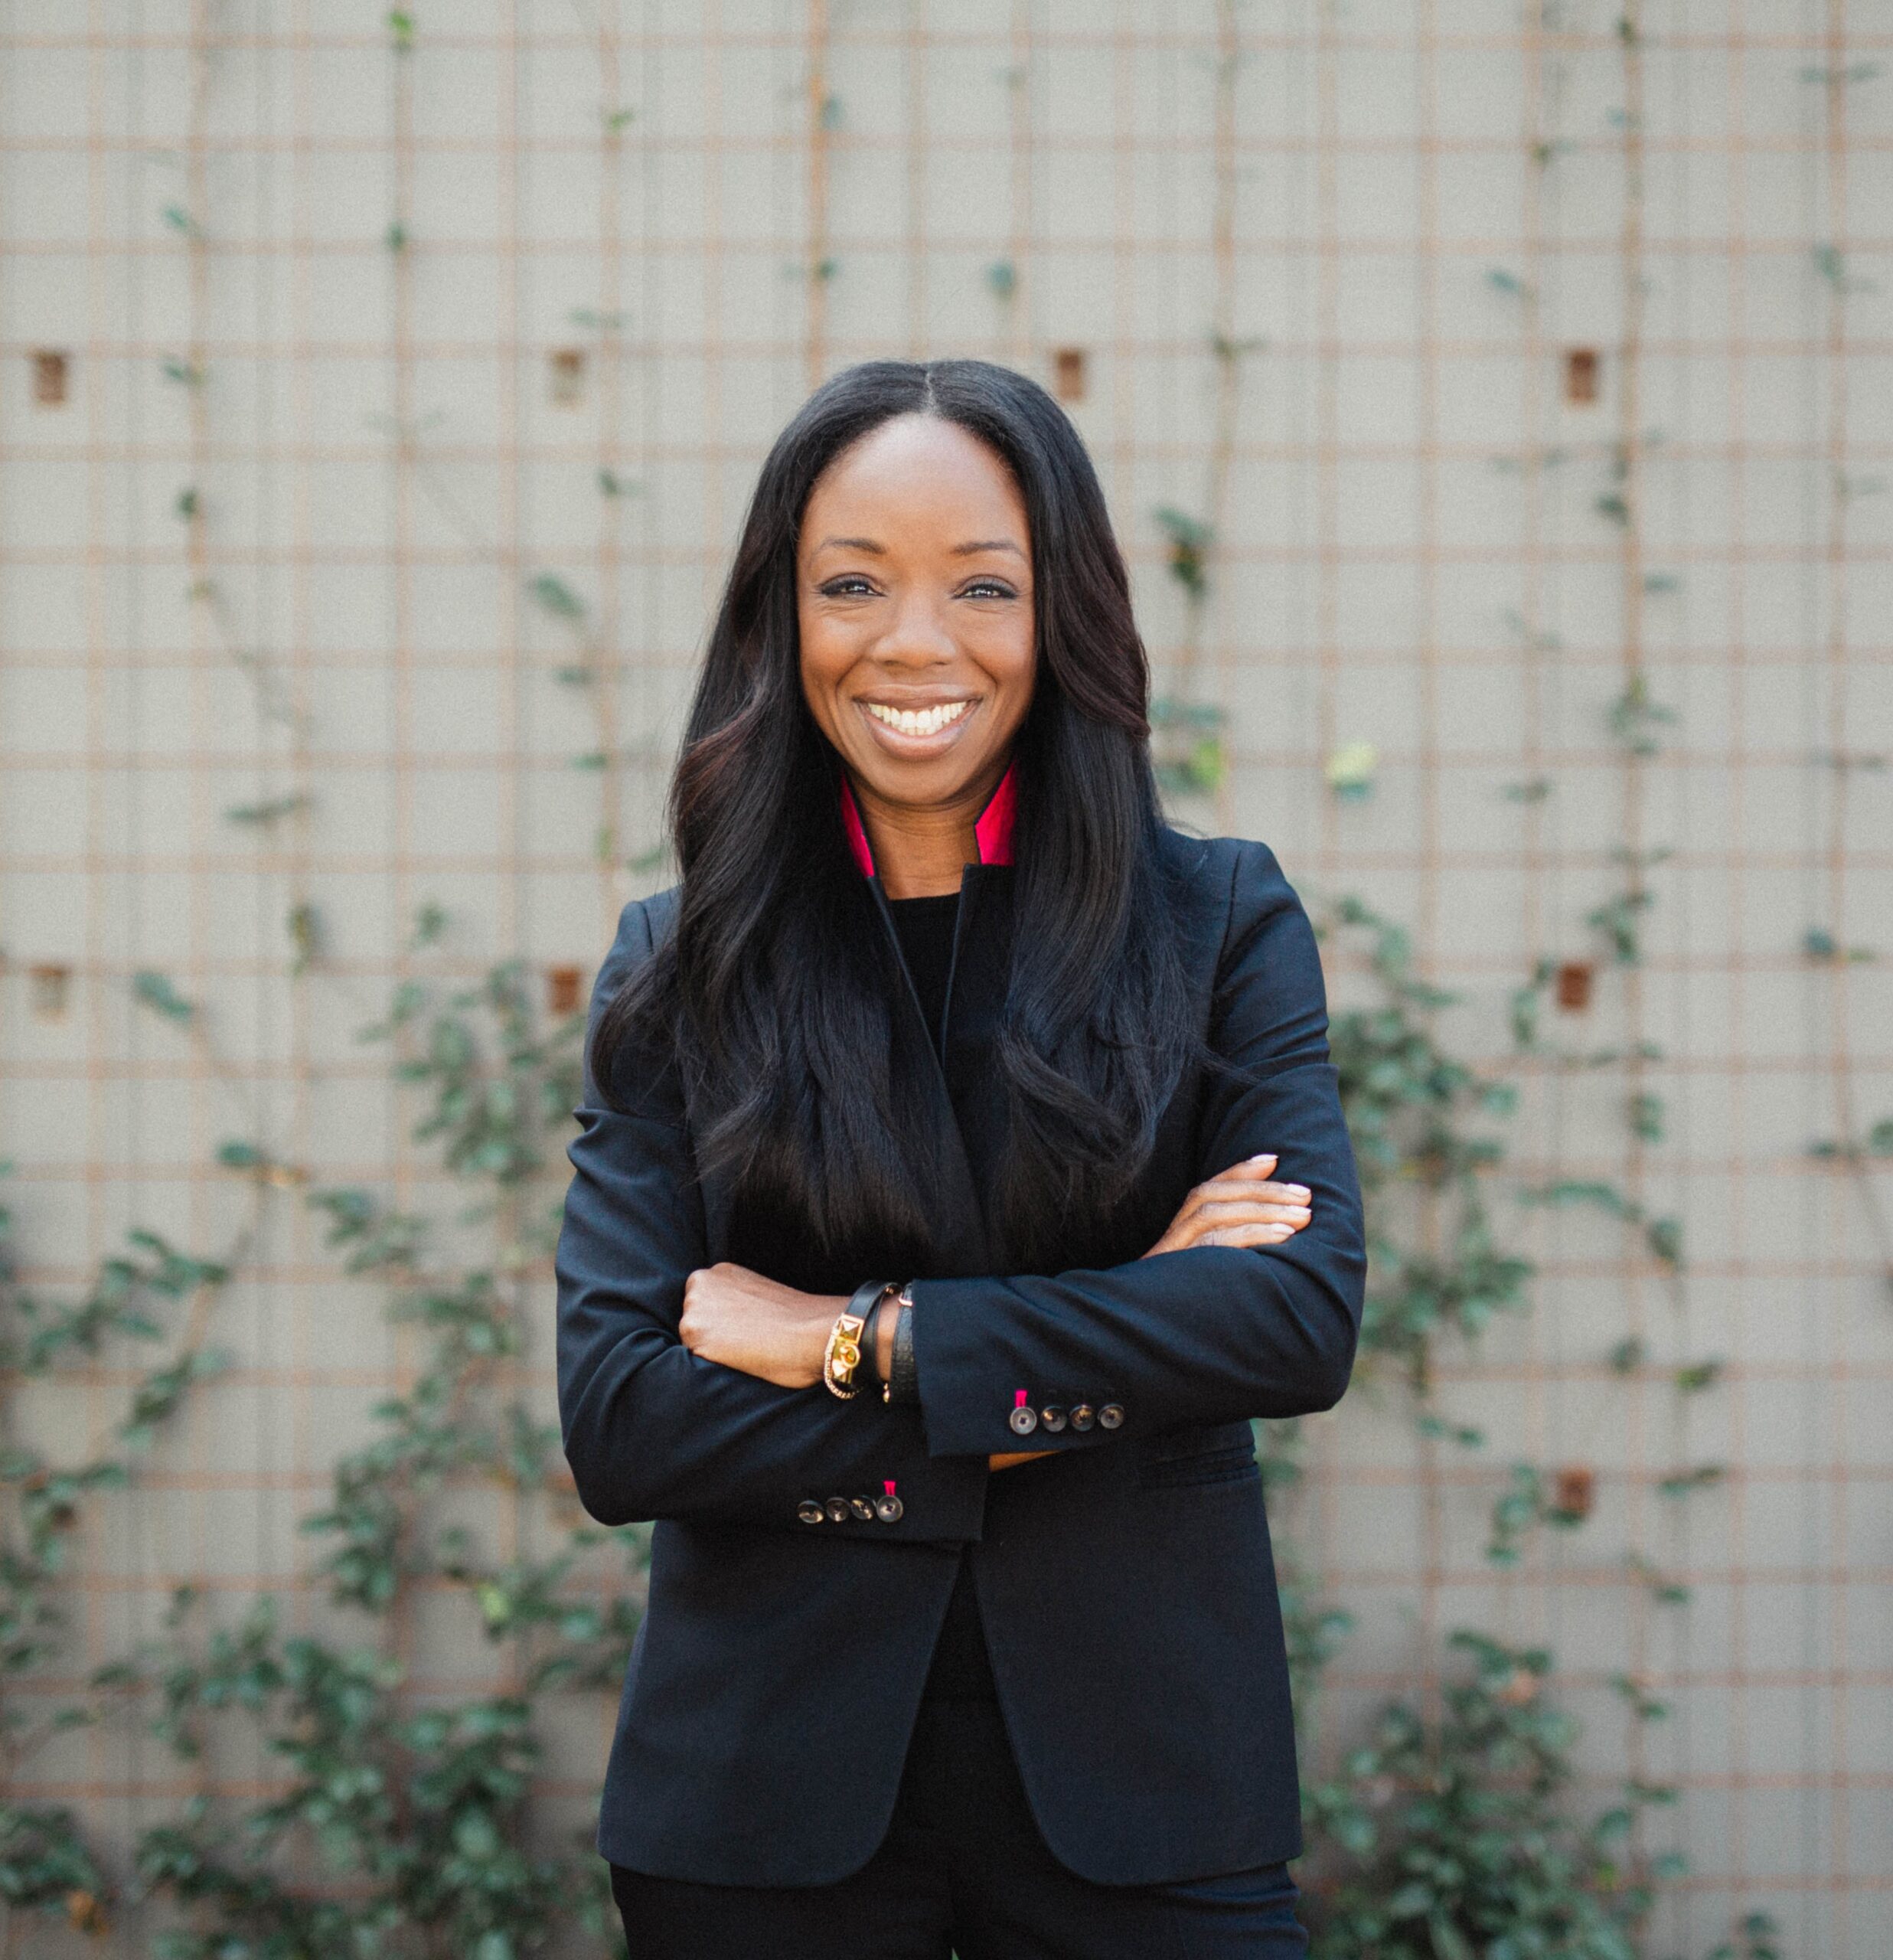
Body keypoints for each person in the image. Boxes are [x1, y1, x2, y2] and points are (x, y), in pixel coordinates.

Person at [553, 357, 1366, 1959]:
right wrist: (1120, 1330)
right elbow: (627, 1419)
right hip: (758, 1810)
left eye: (979, 584)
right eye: (850, 582)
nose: (912, 642)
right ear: (780, 623)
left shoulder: (1216, 924)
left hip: (1148, 1800)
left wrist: (840, 1340)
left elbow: (1289, 1317)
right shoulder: (679, 963)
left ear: (1058, 610)